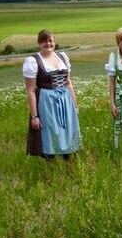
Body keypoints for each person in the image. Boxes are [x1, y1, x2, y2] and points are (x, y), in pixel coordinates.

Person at [24, 30, 81, 158]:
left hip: (66, 101)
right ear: (39, 43)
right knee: (51, 135)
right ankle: (53, 168)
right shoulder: (33, 61)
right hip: (47, 102)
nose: (48, 43)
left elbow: (68, 82)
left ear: (54, 42)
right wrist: (34, 116)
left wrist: (75, 105)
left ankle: (68, 165)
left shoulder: (62, 57)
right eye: (44, 41)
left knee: (67, 134)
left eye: (50, 40)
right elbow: (31, 91)